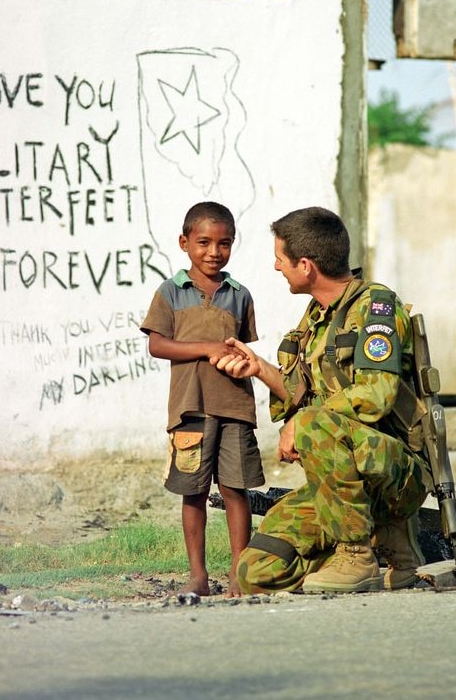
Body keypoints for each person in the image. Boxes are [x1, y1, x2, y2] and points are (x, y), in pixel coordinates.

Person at [211, 206, 431, 594]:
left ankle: (357, 558)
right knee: (255, 573)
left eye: (281, 259)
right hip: (342, 488)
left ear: (306, 266)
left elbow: (375, 396)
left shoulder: (376, 306)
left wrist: (305, 420)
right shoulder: (316, 319)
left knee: (314, 422)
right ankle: (383, 546)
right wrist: (260, 369)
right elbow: (303, 397)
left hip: (396, 473)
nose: (276, 266)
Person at [141, 201, 264, 597]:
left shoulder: (239, 295)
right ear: (184, 242)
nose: (214, 252)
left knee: (234, 489)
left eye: (224, 243)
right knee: (193, 491)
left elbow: (243, 349)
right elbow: (157, 346)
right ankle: (198, 574)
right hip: (190, 408)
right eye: (204, 242)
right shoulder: (170, 293)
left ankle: (238, 572)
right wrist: (206, 348)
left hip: (234, 407)